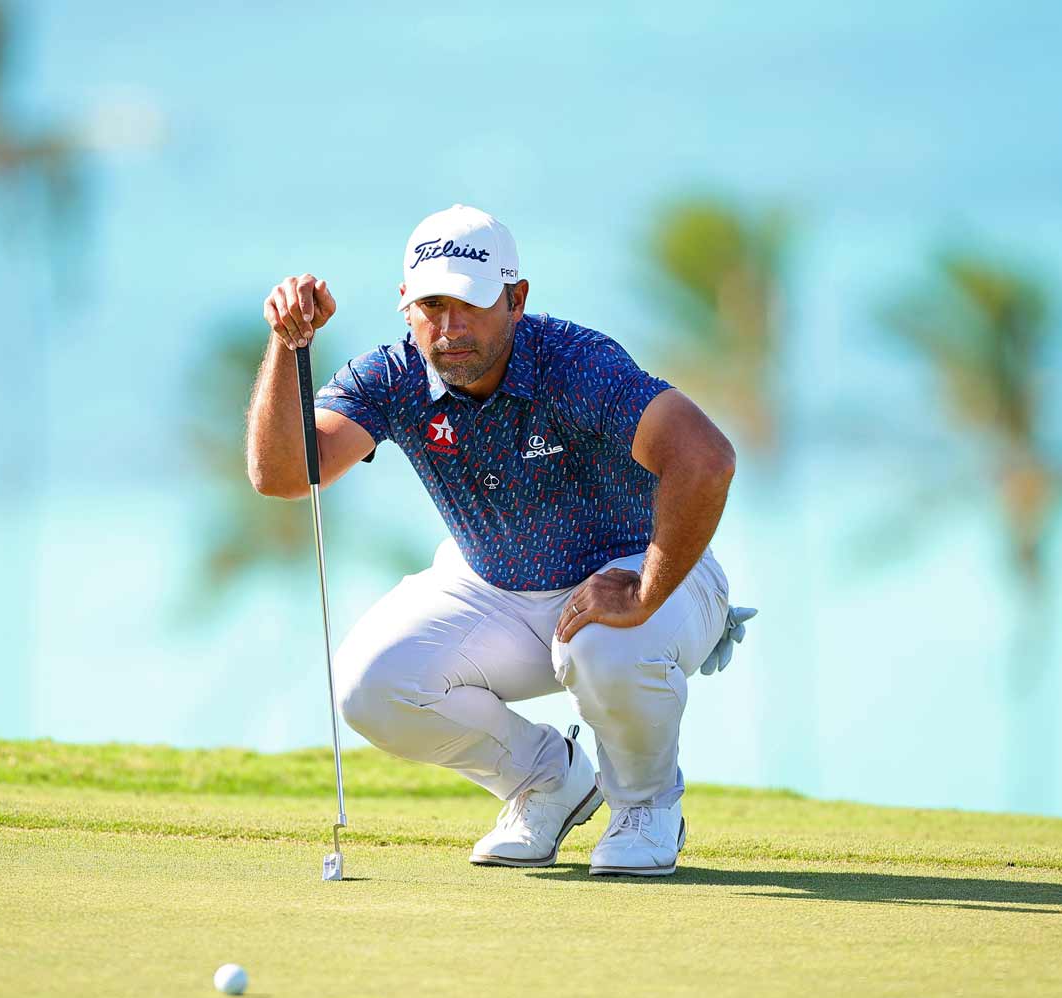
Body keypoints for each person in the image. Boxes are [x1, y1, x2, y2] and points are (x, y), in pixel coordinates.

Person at [245, 204, 752, 877]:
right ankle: (550, 781)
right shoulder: (393, 377)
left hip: (645, 575)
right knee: (371, 685)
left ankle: (646, 807)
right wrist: (287, 343)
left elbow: (706, 458)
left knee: (605, 643)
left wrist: (648, 590)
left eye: (473, 305)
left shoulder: (577, 364)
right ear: (405, 305)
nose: (450, 328)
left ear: (516, 301)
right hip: (496, 585)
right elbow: (282, 475)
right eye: (432, 305)